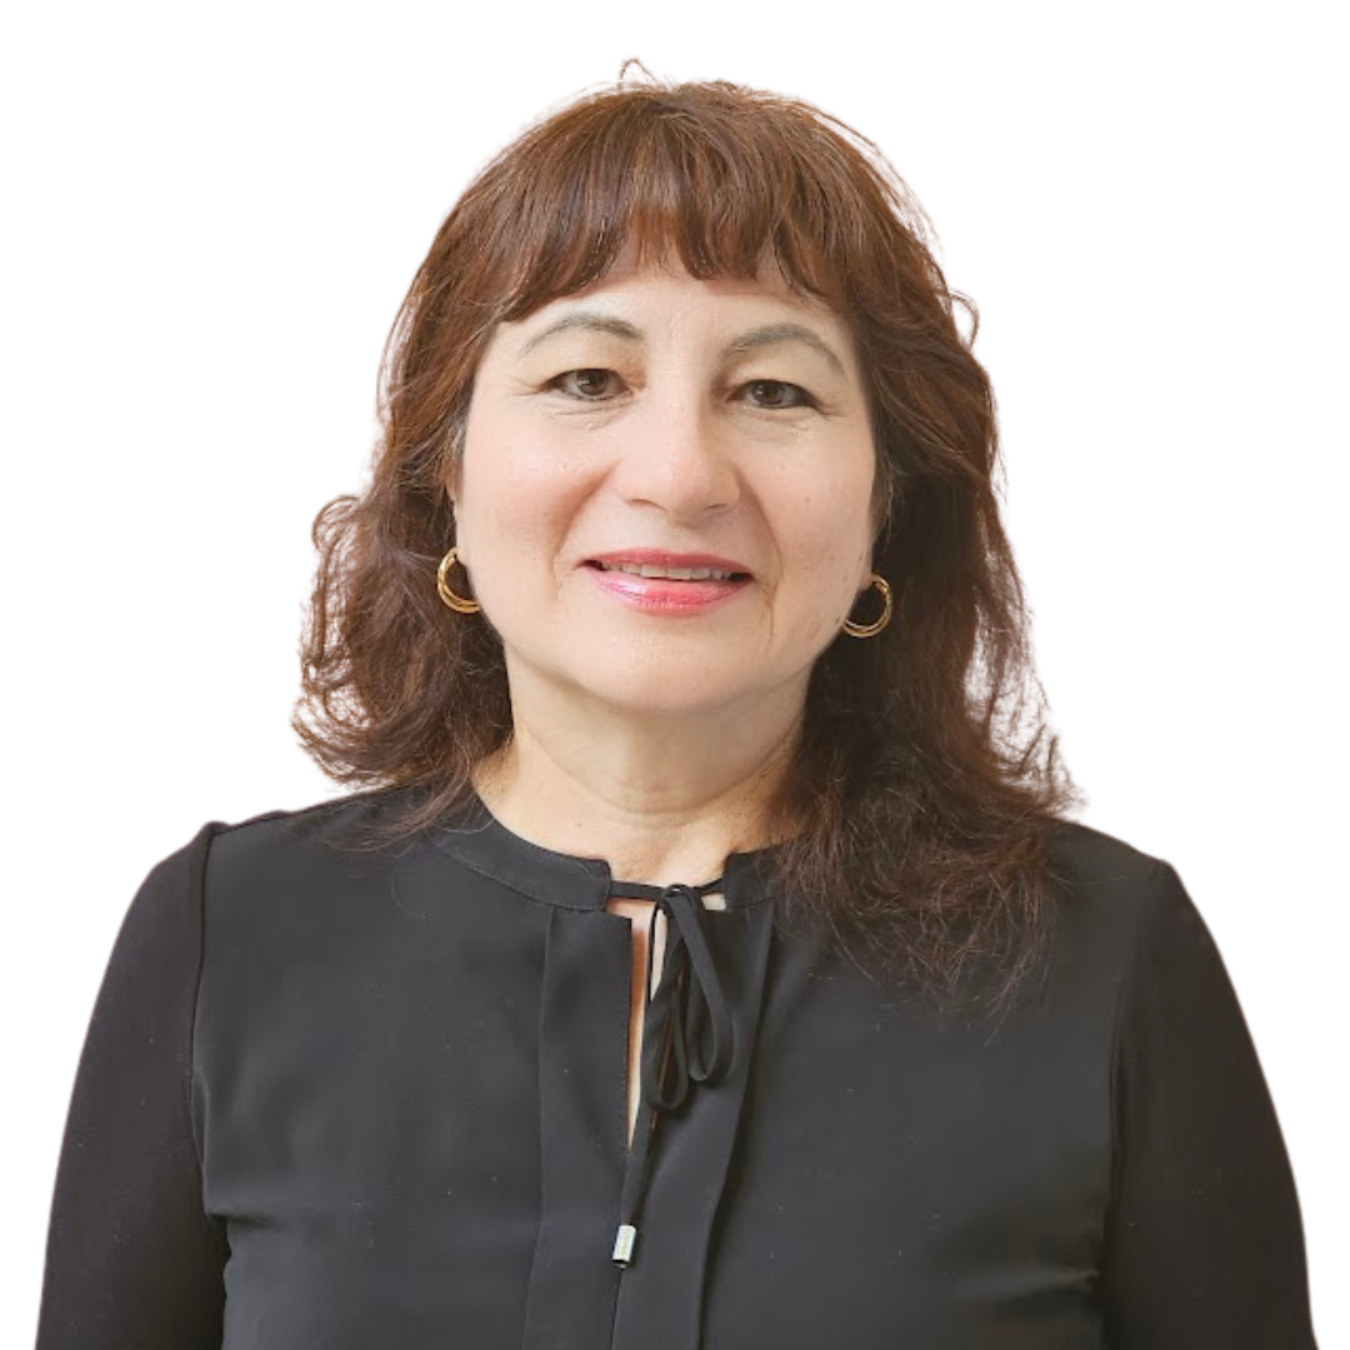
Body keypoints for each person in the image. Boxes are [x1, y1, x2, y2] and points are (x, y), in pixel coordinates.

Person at [35, 75, 1318, 1349]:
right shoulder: (228, 938)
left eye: (774, 393)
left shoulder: (1104, 962)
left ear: (887, 504)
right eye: (588, 377)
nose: (678, 475)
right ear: (449, 470)